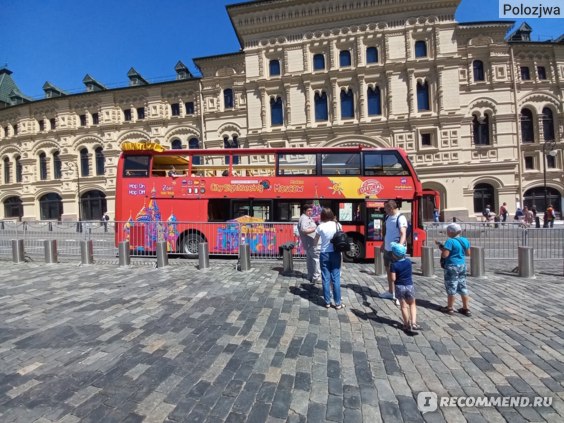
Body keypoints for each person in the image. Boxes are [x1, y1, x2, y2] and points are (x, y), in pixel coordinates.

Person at [436, 223, 471, 316]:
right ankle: (466, 308)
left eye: (447, 230)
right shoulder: (465, 240)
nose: (446, 232)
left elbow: (445, 255)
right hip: (462, 265)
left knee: (451, 286)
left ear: (451, 232)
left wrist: (442, 249)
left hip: (452, 265)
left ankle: (450, 308)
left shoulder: (450, 241)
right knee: (463, 286)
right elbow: (468, 253)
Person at [313, 207, 344, 309]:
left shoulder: (320, 227)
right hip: (335, 253)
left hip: (324, 254)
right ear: (331, 215)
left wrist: (314, 247)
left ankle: (327, 302)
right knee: (336, 278)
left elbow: (315, 240)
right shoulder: (337, 225)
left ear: (322, 216)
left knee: (325, 278)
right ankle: (338, 303)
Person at [379, 200, 407, 305]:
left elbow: (403, 233)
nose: (384, 210)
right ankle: (391, 292)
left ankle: (400, 295)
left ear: (391, 208)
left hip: (396, 250)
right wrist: (383, 244)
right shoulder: (387, 217)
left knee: (398, 273)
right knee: (388, 271)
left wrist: (399, 246)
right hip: (387, 248)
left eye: (385, 208)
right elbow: (387, 233)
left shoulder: (401, 218)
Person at [389, 242, 420, 333]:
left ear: (394, 255)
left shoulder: (393, 265)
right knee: (412, 304)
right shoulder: (408, 262)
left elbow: (393, 278)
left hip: (399, 286)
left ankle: (406, 324)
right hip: (409, 285)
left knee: (403, 306)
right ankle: (414, 323)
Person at [298, 203, 321, 284]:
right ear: (304, 211)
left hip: (309, 242)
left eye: (311, 210)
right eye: (308, 211)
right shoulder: (304, 218)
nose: (310, 212)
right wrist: (316, 228)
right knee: (316, 259)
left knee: (310, 260)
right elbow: (304, 230)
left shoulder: (307, 217)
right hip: (311, 242)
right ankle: (316, 277)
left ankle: (311, 276)